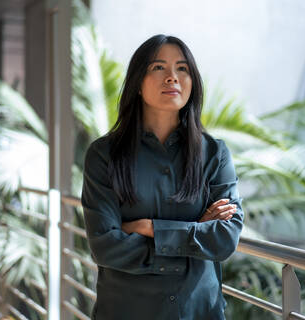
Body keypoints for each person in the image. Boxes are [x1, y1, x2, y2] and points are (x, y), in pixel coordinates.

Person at [81, 34, 244, 320]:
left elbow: (224, 239)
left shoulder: (215, 154)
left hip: (198, 312)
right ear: (137, 83)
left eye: (182, 68)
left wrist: (148, 228)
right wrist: (194, 232)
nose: (172, 77)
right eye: (158, 68)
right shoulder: (104, 155)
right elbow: (105, 246)